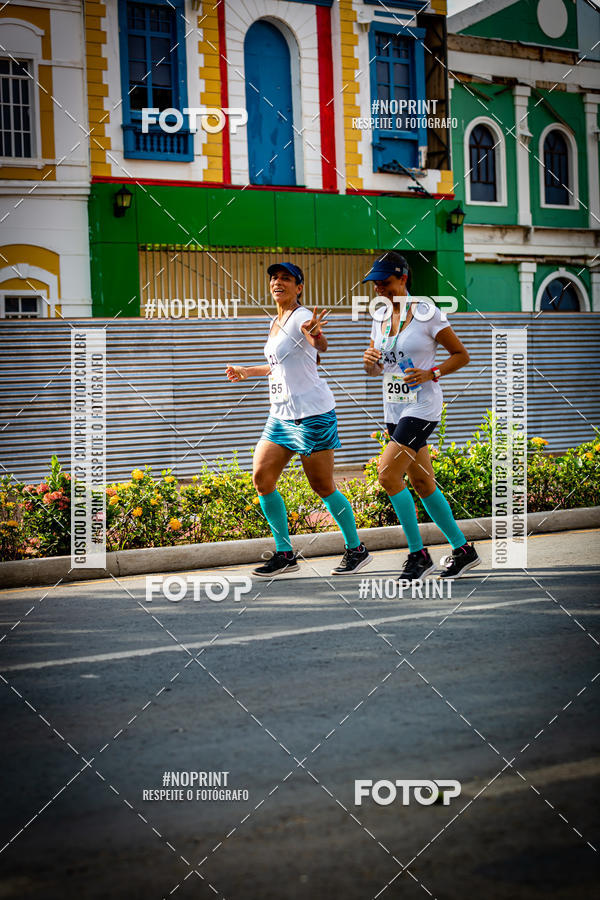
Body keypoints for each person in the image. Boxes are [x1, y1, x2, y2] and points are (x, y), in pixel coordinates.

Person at [226, 261, 372, 578]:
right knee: (262, 478)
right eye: (274, 278)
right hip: (280, 416)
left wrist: (316, 336)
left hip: (311, 415)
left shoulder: (302, 317)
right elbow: (278, 366)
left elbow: (320, 345)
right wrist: (247, 371)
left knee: (322, 486)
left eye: (286, 279)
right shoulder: (275, 323)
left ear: (299, 287)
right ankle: (285, 554)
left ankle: (356, 549)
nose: (278, 282)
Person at [362, 251, 481, 581]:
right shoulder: (381, 316)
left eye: (385, 282)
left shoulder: (427, 311)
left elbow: (461, 355)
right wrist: (370, 361)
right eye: (375, 284)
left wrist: (433, 373)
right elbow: (376, 369)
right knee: (422, 481)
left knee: (387, 475)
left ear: (403, 278)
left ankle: (418, 555)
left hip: (422, 407)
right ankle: (463, 550)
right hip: (394, 408)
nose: (379, 290)